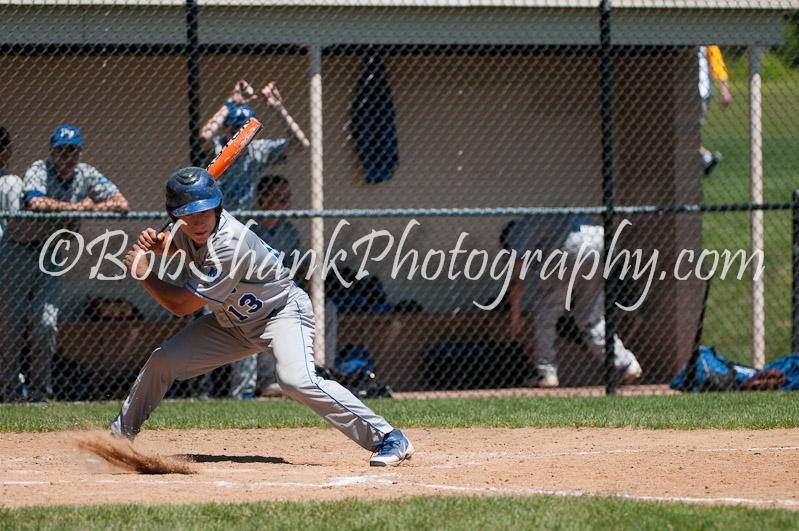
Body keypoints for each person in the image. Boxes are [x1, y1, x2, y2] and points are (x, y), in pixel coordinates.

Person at [111, 167, 412, 467]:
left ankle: (389, 437)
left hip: (279, 315)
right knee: (164, 360)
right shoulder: (193, 230)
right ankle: (119, 437)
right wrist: (161, 246)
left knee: (296, 381)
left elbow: (181, 305)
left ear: (218, 207)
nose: (198, 220)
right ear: (175, 217)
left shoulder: (229, 244)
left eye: (205, 211)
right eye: (188, 214)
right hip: (232, 323)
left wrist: (144, 273)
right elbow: (181, 245)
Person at [0, 124, 130, 402]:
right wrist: (76, 208)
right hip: (18, 249)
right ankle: (9, 392)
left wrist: (89, 208)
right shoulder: (39, 169)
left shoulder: (86, 174)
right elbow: (35, 202)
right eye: (61, 150)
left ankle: (39, 395)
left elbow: (121, 203)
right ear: (52, 151)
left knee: (45, 323)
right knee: (10, 325)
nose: (67, 156)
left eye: (72, 150)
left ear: (80, 151)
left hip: (51, 253)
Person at [505, 216, 642, 388]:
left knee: (544, 311)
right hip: (603, 242)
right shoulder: (543, 227)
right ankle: (625, 363)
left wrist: (515, 320)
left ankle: (546, 372)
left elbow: (516, 281)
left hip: (572, 247)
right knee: (591, 318)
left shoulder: (516, 232)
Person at [229, 174, 306, 399]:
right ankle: (244, 391)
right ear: (263, 199)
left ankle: (306, 377)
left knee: (325, 309)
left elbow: (298, 267)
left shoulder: (289, 230)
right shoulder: (248, 228)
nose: (285, 203)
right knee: (252, 319)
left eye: (287, 198)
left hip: (279, 294)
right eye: (279, 197)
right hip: (248, 294)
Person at [199, 79, 310, 212]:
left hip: (242, 221)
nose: (241, 137)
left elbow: (301, 144)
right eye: (235, 131)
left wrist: (278, 108)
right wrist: (230, 103)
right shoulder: (217, 147)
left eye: (247, 132)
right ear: (224, 128)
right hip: (214, 218)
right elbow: (204, 137)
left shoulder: (257, 150)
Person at [698, 45, 732, 176]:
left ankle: (706, 158)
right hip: (677, 89)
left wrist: (724, 87)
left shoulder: (704, 33)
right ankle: (706, 158)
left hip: (699, 92)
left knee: (686, 134)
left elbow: (715, 57)